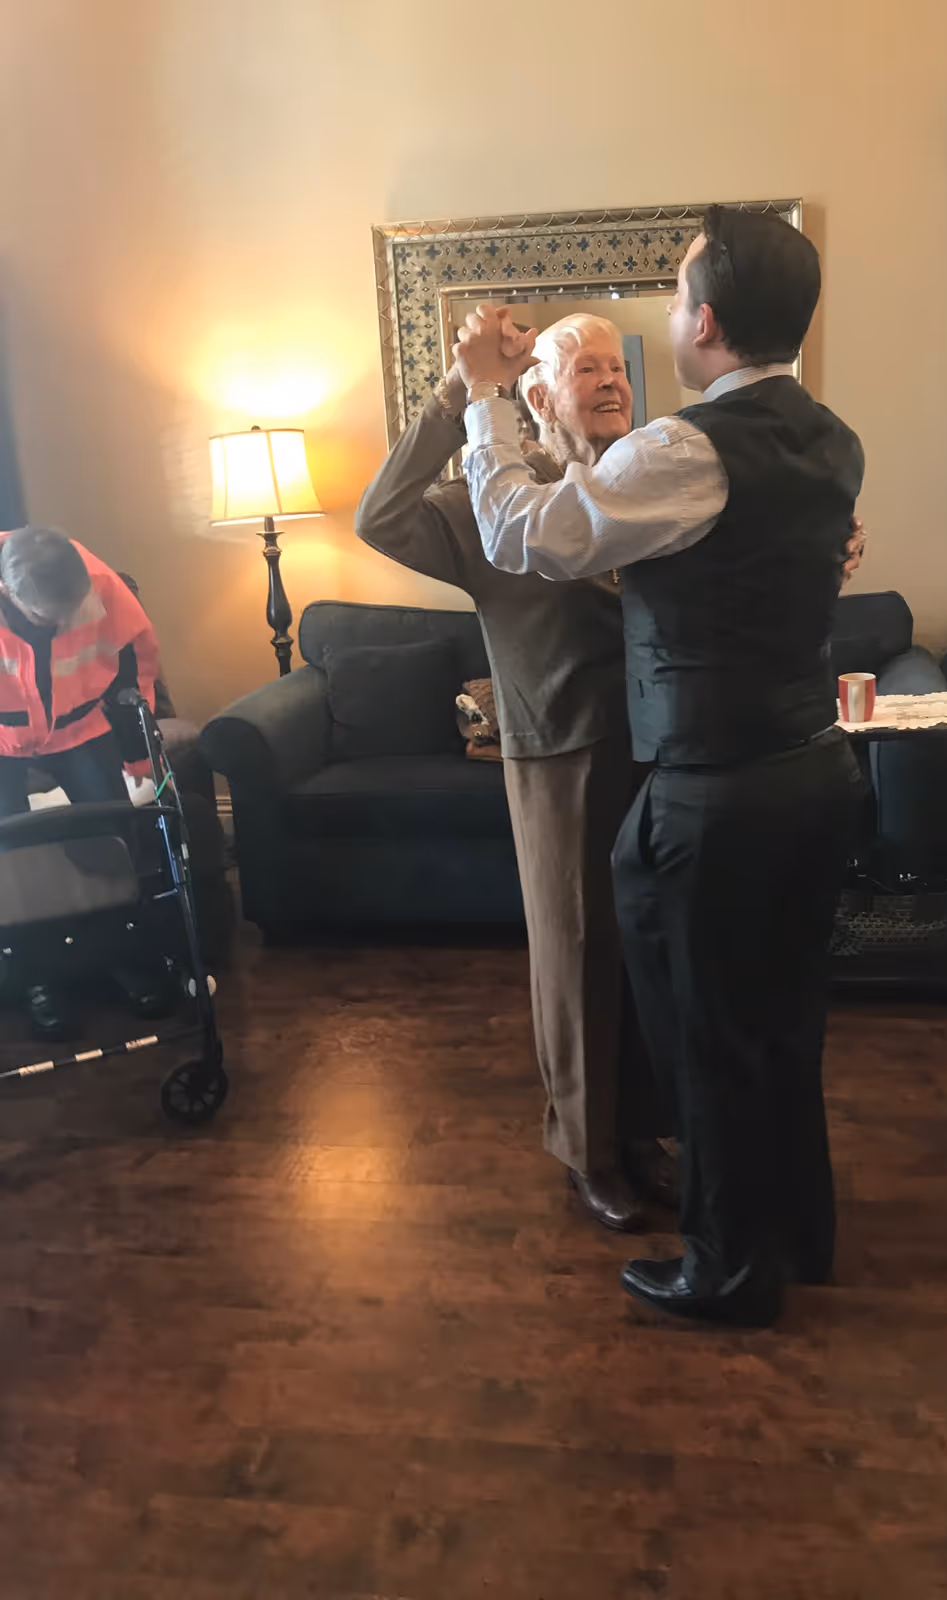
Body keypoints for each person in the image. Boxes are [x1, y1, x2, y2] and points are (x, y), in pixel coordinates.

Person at [357, 311, 867, 1235]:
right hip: (564, 753)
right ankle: (589, 1149)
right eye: (584, 368)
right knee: (580, 958)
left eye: (618, 368)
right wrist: (453, 396)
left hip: (669, 754)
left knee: (654, 960)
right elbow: (380, 517)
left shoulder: (655, 480)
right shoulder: (495, 497)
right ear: (539, 395)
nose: (610, 382)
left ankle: (645, 1134)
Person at [453, 206, 866, 1327]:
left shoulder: (685, 451)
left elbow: (524, 534)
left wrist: (487, 399)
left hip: (716, 791)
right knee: (783, 1023)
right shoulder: (832, 437)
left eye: (679, 293)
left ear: (707, 321)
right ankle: (797, 1233)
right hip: (812, 772)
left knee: (708, 1034)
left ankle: (729, 1269)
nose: (675, 312)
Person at [0, 525, 171, 1038]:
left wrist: (137, 750)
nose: (61, 626)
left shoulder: (100, 583)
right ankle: (36, 976)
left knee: (113, 840)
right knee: (12, 858)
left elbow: (137, 664)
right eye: (46, 618)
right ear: (7, 592)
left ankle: (123, 957)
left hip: (81, 724)